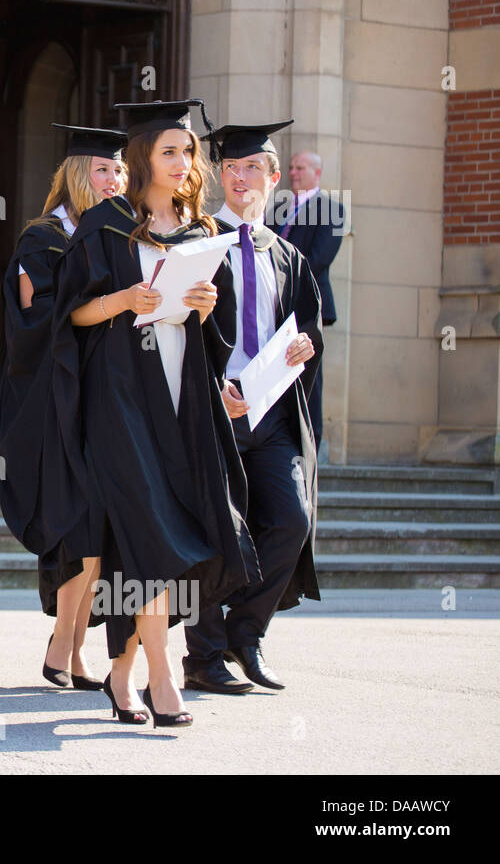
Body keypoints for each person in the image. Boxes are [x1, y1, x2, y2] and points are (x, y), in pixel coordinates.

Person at [49, 98, 259, 727]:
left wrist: (200, 303)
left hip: (182, 396)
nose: (182, 160)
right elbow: (70, 317)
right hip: (120, 399)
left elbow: (208, 327)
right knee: (152, 531)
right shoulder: (105, 225)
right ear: (141, 157)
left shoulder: (200, 231)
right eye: (170, 150)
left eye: (188, 150)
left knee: (170, 537)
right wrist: (122, 298)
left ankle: (120, 671)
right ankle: (161, 675)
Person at [183, 121, 323, 693]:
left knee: (292, 519)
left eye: (252, 170)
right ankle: (204, 655)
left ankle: (246, 632)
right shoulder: (200, 241)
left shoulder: (287, 256)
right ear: (220, 175)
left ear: (271, 177)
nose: (240, 179)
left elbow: (305, 326)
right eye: (230, 169)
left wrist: (304, 345)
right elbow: (179, 329)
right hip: (216, 411)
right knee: (216, 530)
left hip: (272, 412)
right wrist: (214, 387)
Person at [0, 124, 126, 690]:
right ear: (77, 175)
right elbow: (34, 319)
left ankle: (68, 648)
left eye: (119, 170)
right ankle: (64, 647)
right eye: (102, 169)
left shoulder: (120, 236)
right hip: (52, 397)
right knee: (78, 522)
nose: (113, 179)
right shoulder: (42, 238)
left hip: (105, 396)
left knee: (97, 522)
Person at [265, 150, 345, 453]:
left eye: (300, 168)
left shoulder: (332, 209)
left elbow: (319, 260)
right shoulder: (278, 208)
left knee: (309, 377)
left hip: (306, 306)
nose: (293, 173)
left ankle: (310, 444)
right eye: (291, 168)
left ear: (317, 172)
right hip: (273, 307)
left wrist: (282, 281)